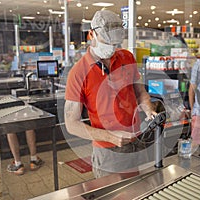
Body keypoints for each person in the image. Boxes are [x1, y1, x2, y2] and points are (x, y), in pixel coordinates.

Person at [64, 10, 156, 178]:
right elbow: (71, 124)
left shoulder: (127, 57)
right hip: (108, 152)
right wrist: (111, 137)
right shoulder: (78, 73)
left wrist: (149, 109)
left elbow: (140, 91)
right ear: (91, 34)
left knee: (139, 190)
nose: (112, 48)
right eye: (107, 41)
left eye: (116, 43)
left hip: (137, 141)